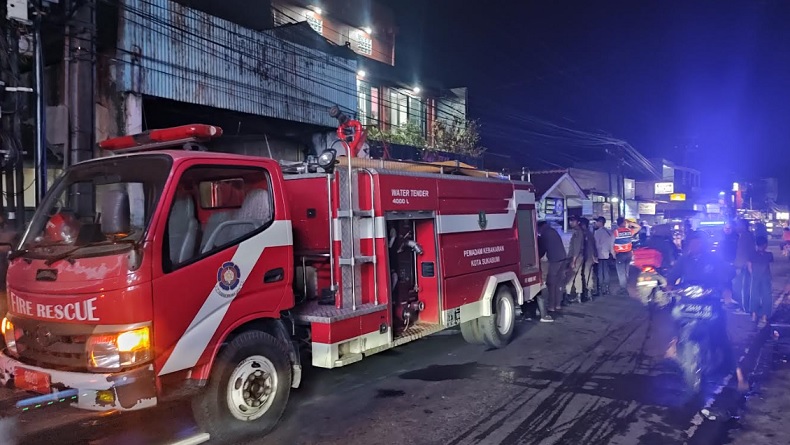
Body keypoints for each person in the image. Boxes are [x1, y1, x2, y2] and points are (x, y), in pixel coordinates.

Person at [665, 231, 748, 392]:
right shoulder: (684, 260)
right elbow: (672, 276)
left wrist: (724, 290)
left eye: (698, 243)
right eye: (693, 243)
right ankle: (674, 346)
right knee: (675, 318)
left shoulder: (714, 259)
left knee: (722, 337)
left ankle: (740, 376)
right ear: (688, 245)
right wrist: (669, 286)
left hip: (710, 304)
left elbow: (728, 274)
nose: (695, 246)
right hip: (688, 304)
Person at [538, 221, 567, 318]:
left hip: (555, 260)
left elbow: (542, 249)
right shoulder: (553, 231)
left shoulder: (545, 233)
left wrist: (537, 257)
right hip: (563, 259)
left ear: (541, 227)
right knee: (558, 283)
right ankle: (558, 305)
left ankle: (551, 306)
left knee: (551, 283)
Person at [748, 235, 773, 328]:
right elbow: (771, 267)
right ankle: (764, 317)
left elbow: (749, 266)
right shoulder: (769, 255)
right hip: (766, 277)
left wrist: (753, 275)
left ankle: (754, 315)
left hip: (755, 277)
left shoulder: (752, 254)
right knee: (767, 297)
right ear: (765, 245)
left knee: (754, 295)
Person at [613, 217, 641, 295]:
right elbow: (638, 227)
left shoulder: (616, 232)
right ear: (623, 223)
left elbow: (612, 242)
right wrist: (629, 223)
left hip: (620, 254)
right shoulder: (629, 231)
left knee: (621, 272)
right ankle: (625, 285)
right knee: (626, 270)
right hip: (628, 253)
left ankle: (623, 288)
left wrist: (613, 253)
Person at [733, 219, 755, 313]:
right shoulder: (745, 236)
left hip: (744, 266)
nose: (736, 227)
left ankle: (745, 308)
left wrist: (742, 265)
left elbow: (746, 252)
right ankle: (744, 306)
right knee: (742, 287)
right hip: (743, 265)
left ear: (743, 226)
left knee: (742, 288)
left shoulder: (745, 236)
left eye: (738, 225)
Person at [565, 215, 585, 303]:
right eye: (570, 221)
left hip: (576, 257)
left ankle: (568, 295)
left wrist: (573, 261)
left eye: (573, 221)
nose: (571, 222)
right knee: (577, 276)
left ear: (578, 222)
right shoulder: (579, 231)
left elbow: (576, 248)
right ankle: (579, 295)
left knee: (570, 276)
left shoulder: (577, 232)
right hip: (579, 256)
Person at [594, 216, 616, 295]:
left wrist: (595, 255)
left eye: (597, 222)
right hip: (608, 254)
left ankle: (600, 289)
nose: (596, 223)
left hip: (600, 255)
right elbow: (612, 243)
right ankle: (606, 289)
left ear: (600, 222)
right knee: (606, 272)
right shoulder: (609, 232)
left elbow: (596, 244)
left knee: (600, 272)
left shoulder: (598, 232)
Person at [579, 217, 597, 301]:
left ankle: (587, 292)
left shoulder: (584, 234)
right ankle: (589, 292)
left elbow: (589, 247)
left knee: (586, 275)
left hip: (586, 258)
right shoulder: (590, 233)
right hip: (589, 258)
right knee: (588, 275)